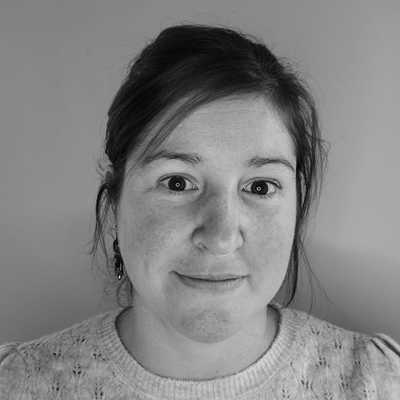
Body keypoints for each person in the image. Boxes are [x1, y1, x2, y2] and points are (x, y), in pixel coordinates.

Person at [1, 23, 399, 399]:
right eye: (177, 182)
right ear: (114, 204)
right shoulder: (17, 385)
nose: (221, 236)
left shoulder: (379, 382)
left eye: (260, 187)